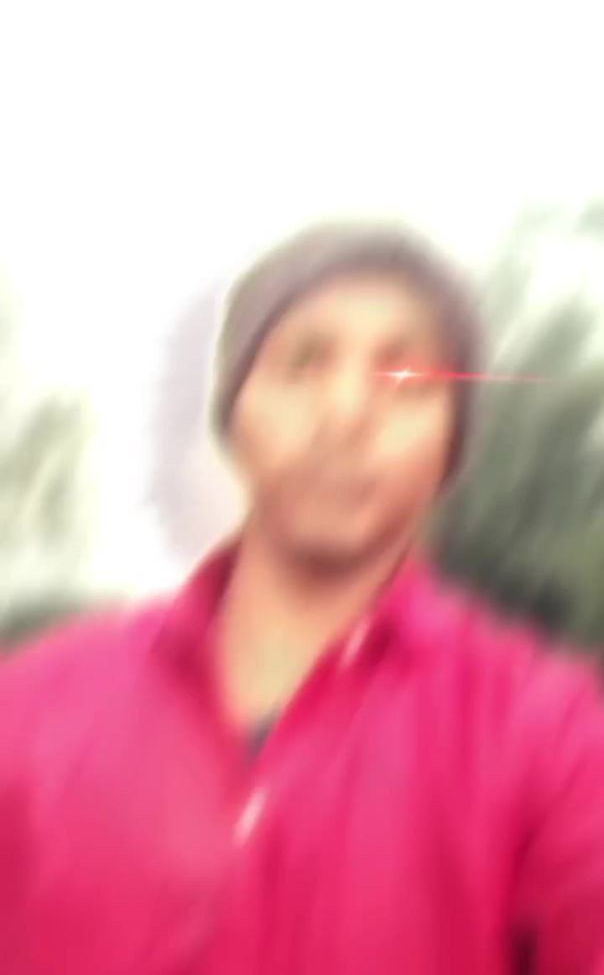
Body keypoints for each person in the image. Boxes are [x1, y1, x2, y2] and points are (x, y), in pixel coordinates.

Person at [2, 223, 604, 975]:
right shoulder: (29, 709)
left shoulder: (555, 738)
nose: (347, 413)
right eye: (302, 363)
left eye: (407, 379)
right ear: (234, 417)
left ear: (452, 443)